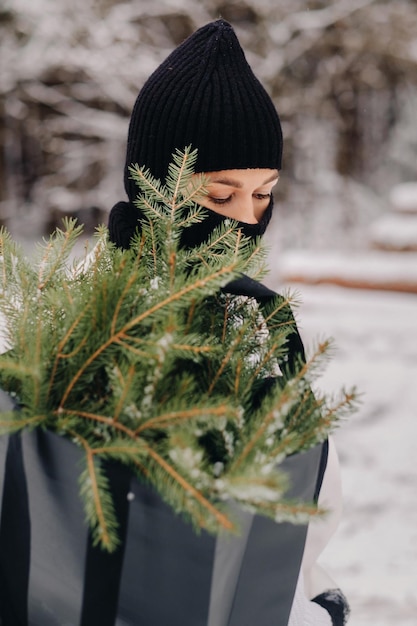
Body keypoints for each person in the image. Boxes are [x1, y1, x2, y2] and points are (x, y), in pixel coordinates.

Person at [107, 18, 350, 626]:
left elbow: (294, 513)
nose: (245, 219)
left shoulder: (250, 317)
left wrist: (315, 601)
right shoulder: (91, 326)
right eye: (219, 197)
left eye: (263, 194)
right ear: (156, 187)